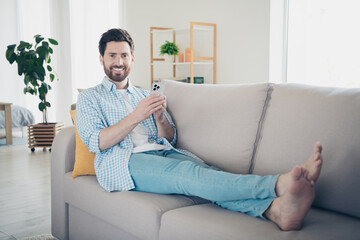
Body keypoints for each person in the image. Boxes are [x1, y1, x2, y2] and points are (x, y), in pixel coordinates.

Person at [76, 28, 323, 231]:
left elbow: (169, 136)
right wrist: (137, 115)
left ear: (132, 58)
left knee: (206, 174)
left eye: (124, 55)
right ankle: (277, 184)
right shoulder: (90, 98)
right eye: (112, 56)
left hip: (161, 151)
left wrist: (161, 118)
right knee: (189, 175)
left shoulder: (144, 94)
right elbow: (97, 142)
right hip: (125, 161)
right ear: (101, 59)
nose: (119, 62)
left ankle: (275, 210)